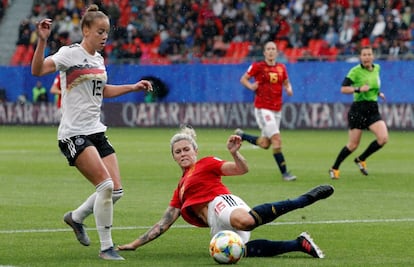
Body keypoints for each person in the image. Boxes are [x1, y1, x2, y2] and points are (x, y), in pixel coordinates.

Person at [31, 5, 153, 260]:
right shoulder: (69, 54)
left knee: (116, 190)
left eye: (107, 32)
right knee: (106, 185)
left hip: (96, 131)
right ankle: (106, 247)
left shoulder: (98, 60)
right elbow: (38, 70)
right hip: (73, 134)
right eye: (100, 31)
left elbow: (103, 91)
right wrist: (42, 41)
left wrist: (133, 87)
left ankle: (76, 218)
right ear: (85, 30)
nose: (104, 36)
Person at [117, 126, 334, 259]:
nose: (182, 153)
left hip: (221, 203)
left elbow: (241, 169)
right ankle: (298, 244)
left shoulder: (207, 163)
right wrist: (134, 245)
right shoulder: (180, 190)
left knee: (246, 222)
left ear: (195, 151)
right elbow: (163, 224)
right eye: (178, 152)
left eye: (186, 149)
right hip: (216, 224)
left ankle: (302, 200)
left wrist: (234, 154)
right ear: (173, 157)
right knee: (241, 251)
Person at [236, 41, 296, 181]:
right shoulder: (258, 66)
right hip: (263, 109)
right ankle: (285, 173)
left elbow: (286, 82)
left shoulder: (282, 67)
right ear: (264, 53)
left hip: (277, 109)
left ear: (276, 52)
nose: (270, 51)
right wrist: (251, 86)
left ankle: (242, 135)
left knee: (265, 144)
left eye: (273, 49)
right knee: (277, 139)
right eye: (268, 49)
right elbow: (243, 79)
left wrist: (289, 88)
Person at [329, 46, 388, 179]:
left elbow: (372, 86)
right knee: (353, 145)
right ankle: (334, 168)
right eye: (364, 55)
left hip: (372, 108)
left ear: (373, 56)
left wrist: (378, 93)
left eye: (369, 54)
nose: (367, 57)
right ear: (360, 57)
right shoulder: (355, 71)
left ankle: (361, 159)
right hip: (358, 110)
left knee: (383, 138)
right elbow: (343, 89)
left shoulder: (377, 68)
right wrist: (358, 89)